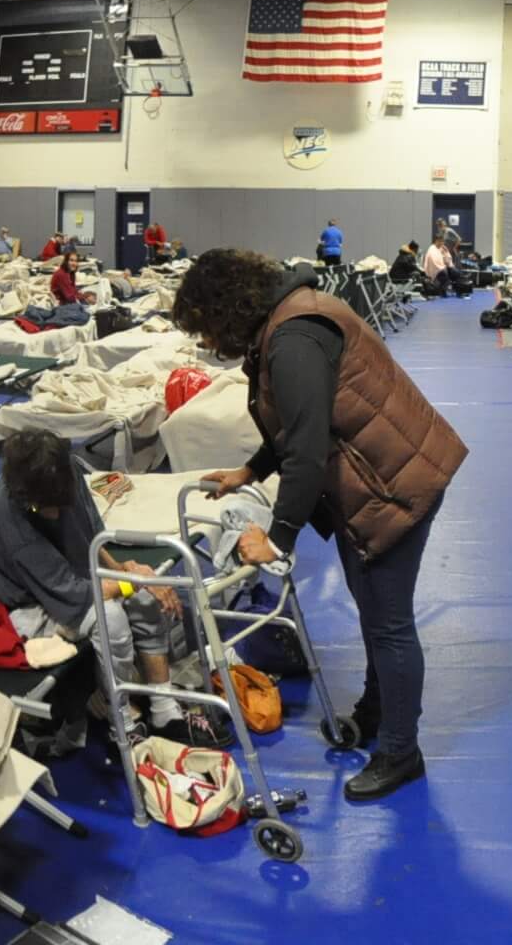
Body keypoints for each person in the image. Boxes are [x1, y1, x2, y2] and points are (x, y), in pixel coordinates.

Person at [178, 249, 468, 802]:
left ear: (224, 307)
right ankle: (377, 713)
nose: (212, 345)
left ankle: (401, 753)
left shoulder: (292, 338)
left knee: (389, 623)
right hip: (386, 472)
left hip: (393, 484)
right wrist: (250, 470)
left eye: (207, 329)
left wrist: (278, 536)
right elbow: (300, 422)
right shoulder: (294, 313)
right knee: (375, 613)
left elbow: (308, 450)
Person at [0, 430, 227, 749]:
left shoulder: (64, 472)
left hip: (70, 577)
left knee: (146, 602)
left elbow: (91, 534)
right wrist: (132, 582)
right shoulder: (6, 515)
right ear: (26, 497)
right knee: (111, 618)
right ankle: (120, 717)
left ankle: (164, 709)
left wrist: (123, 568)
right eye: (46, 509)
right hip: (23, 604)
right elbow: (73, 593)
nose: (55, 514)